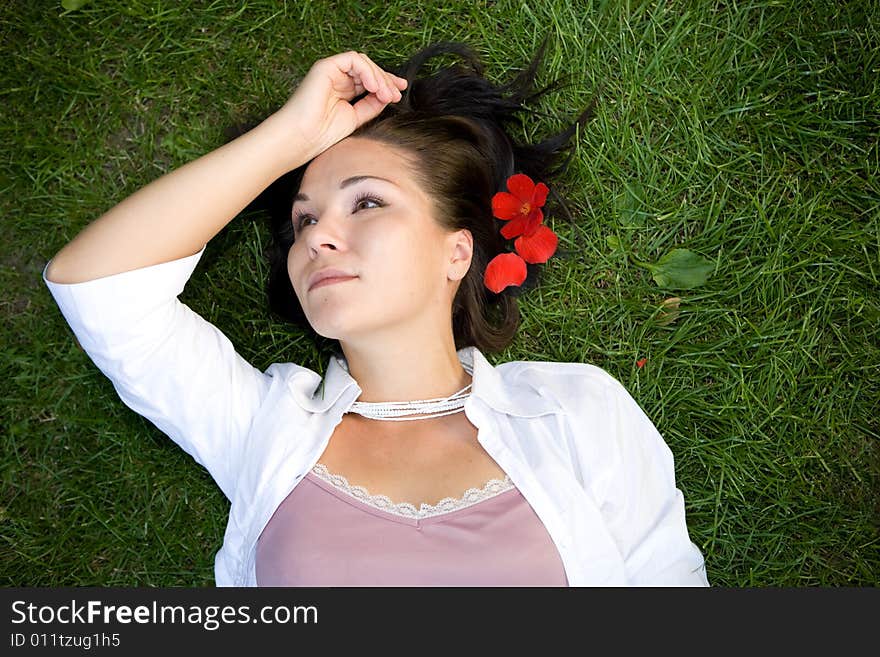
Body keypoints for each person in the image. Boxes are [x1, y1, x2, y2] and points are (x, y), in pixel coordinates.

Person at [43, 42, 709, 587]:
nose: (316, 237)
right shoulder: (264, 429)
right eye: (304, 220)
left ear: (457, 251)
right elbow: (99, 286)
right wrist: (289, 136)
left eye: (366, 203)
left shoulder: (575, 413)